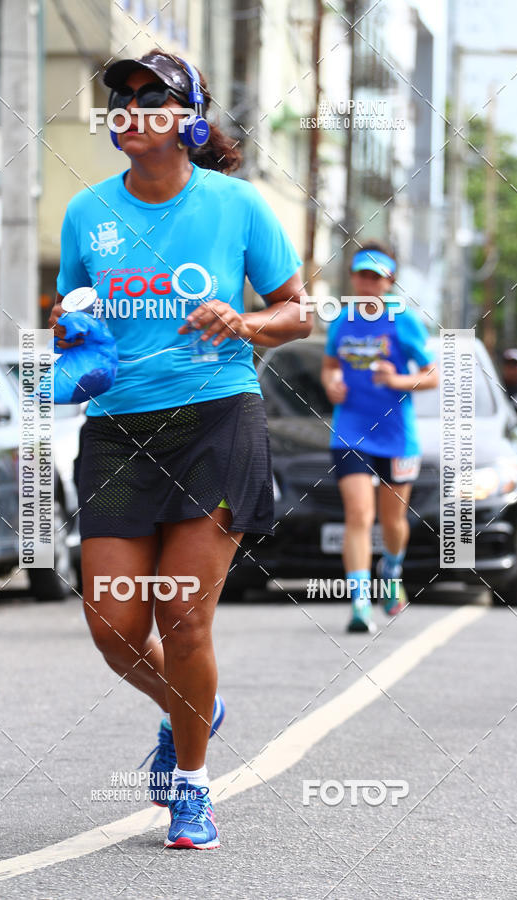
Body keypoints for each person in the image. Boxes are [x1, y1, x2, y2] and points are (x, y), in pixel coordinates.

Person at [49, 50, 311, 850]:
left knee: (184, 620)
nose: (129, 108)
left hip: (216, 421)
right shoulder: (85, 211)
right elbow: (65, 308)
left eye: (150, 95)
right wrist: (66, 326)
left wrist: (244, 323)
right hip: (118, 432)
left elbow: (296, 313)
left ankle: (191, 785)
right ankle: (192, 707)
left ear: (188, 116)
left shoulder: (236, 205)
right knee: (113, 626)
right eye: (119, 98)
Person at [321, 241, 438, 634]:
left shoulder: (403, 321)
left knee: (393, 520)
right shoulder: (341, 320)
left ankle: (391, 571)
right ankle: (359, 601)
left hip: (396, 435)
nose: (368, 284)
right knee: (358, 515)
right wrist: (331, 384)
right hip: (350, 431)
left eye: (377, 277)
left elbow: (433, 374)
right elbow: (329, 365)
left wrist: (398, 380)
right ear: (352, 277)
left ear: (389, 282)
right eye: (362, 275)